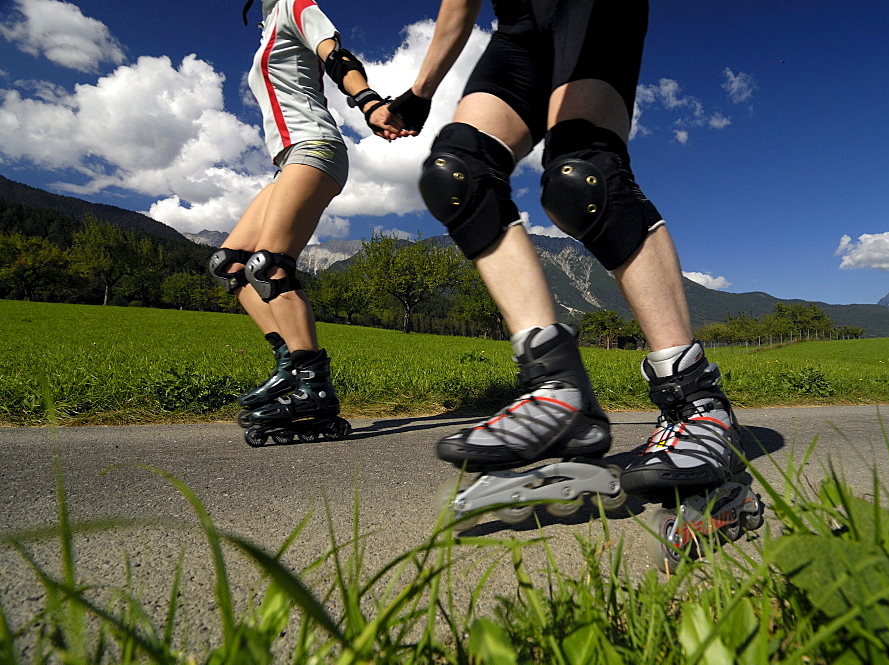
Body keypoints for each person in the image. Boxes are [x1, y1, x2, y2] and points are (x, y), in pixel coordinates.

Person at [374, 0, 745, 498]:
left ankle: (697, 400)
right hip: (520, 25)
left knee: (585, 178)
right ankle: (556, 388)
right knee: (458, 173)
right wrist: (421, 92)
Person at [209, 0, 396, 442]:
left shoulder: (297, 4)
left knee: (269, 265)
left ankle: (314, 387)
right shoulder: (268, 24)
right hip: (291, 157)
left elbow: (336, 55)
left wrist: (369, 101)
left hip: (316, 145)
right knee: (230, 266)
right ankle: (291, 368)